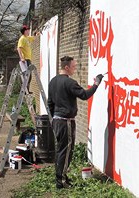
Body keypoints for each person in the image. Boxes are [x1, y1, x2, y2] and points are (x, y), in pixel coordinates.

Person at [47, 56, 104, 189]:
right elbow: (84, 95)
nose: (75, 69)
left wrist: (53, 120)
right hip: (66, 121)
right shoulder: (69, 83)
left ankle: (62, 177)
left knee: (61, 150)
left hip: (57, 120)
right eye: (73, 67)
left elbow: (50, 103)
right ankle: (60, 181)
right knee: (66, 151)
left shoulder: (53, 81)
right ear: (66, 68)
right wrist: (96, 83)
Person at [17, 25, 35, 94]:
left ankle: (26, 90)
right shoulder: (22, 39)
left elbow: (33, 38)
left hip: (28, 59)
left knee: (29, 75)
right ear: (24, 31)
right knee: (27, 75)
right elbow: (19, 48)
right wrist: (22, 58)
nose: (29, 31)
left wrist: (37, 34)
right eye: (27, 30)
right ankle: (24, 90)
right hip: (25, 60)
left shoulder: (27, 38)